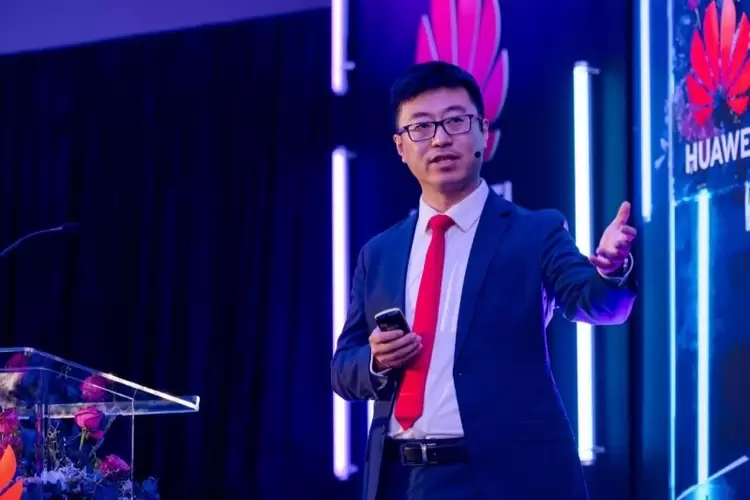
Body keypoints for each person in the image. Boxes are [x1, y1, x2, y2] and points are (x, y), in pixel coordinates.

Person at [330, 61, 636, 500]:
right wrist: (376, 360)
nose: (440, 139)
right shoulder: (378, 254)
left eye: (455, 121)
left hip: (504, 480)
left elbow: (595, 304)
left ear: (482, 132)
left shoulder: (536, 232)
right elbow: (343, 370)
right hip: (399, 479)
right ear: (400, 147)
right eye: (421, 127)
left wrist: (609, 270)